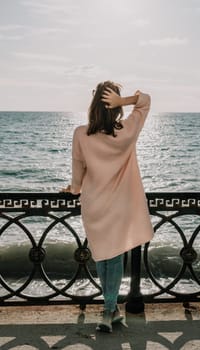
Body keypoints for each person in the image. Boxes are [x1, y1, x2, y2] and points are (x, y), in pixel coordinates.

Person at [63, 81, 153, 333]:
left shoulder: (81, 133)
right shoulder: (126, 130)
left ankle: (110, 311)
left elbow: (78, 178)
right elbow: (146, 101)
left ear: (93, 106)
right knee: (111, 256)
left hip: (94, 204)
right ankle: (109, 311)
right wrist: (124, 101)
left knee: (103, 255)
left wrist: (71, 190)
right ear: (113, 107)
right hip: (120, 204)